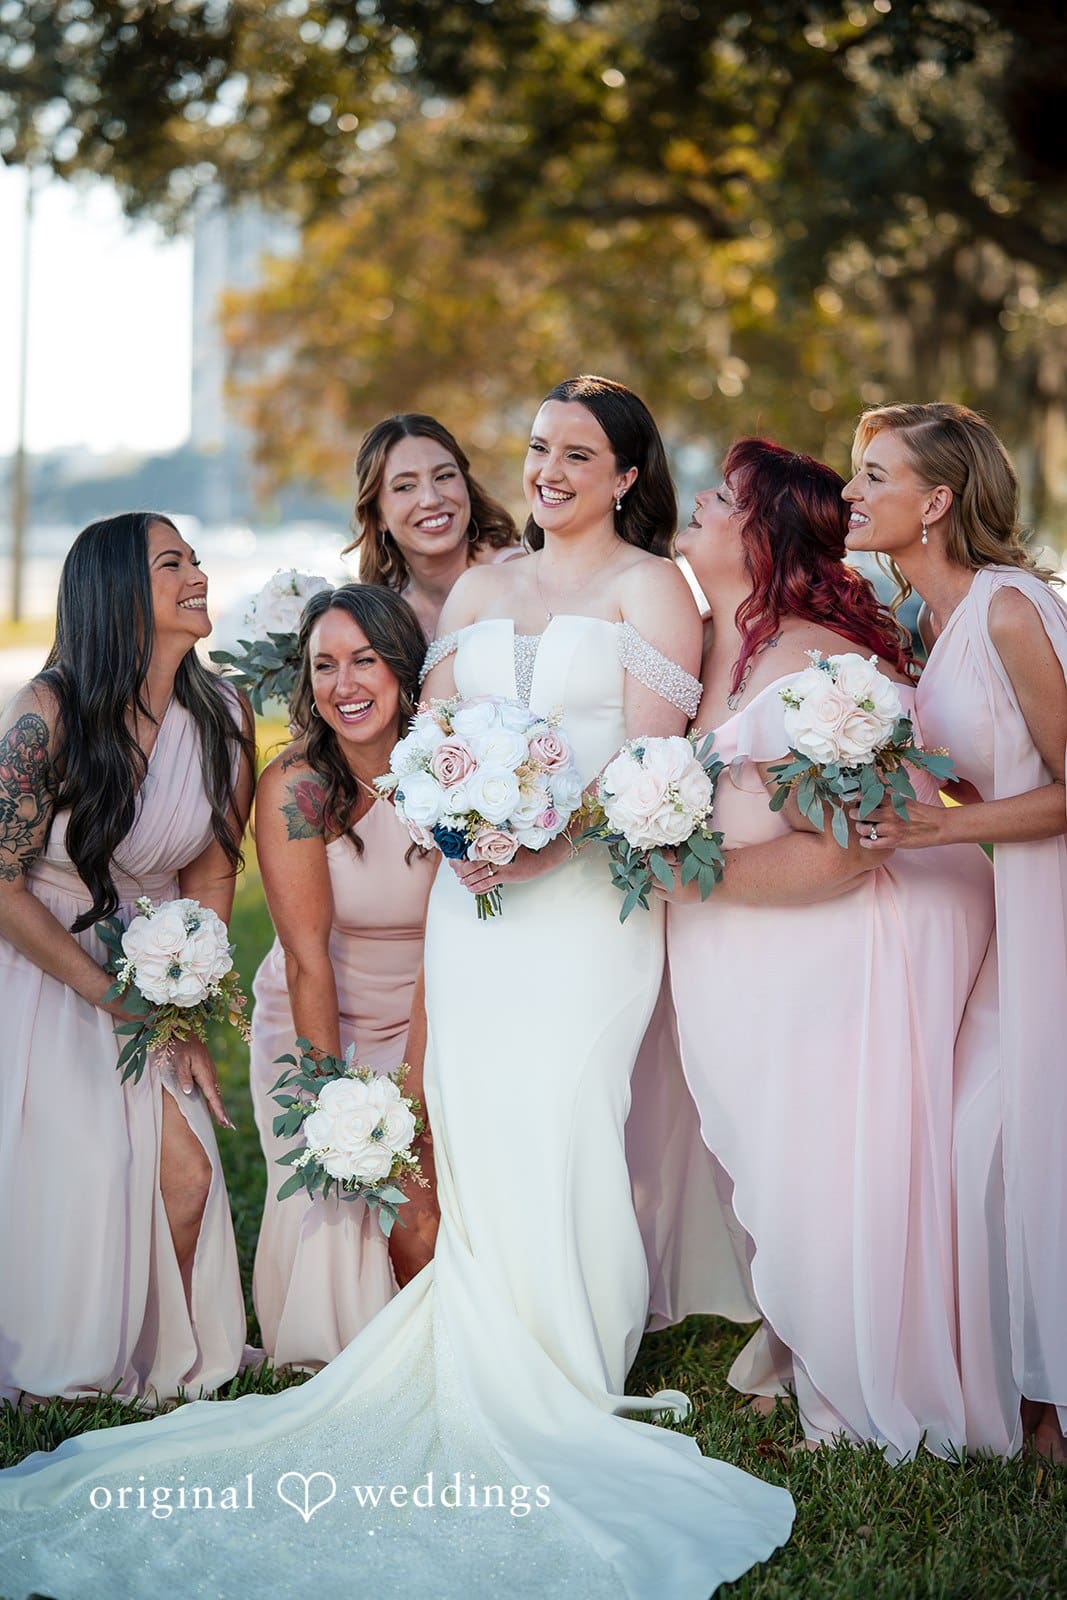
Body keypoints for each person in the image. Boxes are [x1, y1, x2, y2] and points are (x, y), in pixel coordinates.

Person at [0, 380, 792, 1600]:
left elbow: (649, 765)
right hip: (474, 907)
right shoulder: (480, 589)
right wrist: (464, 818)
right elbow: (427, 748)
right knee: (472, 1118)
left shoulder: (652, 591)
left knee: (568, 1109)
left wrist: (539, 832)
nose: (549, 471)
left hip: (584, 910)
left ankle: (565, 1351)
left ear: (628, 475)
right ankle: (482, 1327)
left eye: (578, 454)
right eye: (536, 450)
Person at [661, 439, 995, 1458]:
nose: (699, 504)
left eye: (720, 498)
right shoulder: (721, 641)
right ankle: (799, 1340)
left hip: (826, 950)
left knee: (819, 1171)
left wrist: (692, 873)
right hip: (747, 953)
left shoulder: (814, 664)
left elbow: (857, 846)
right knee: (771, 1169)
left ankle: (855, 1399)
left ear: (759, 536)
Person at [843, 401, 1067, 1461]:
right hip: (1005, 904)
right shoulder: (918, 619)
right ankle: (1018, 1384)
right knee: (980, 1132)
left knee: (1025, 1139)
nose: (852, 491)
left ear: (933, 503)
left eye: (872, 475)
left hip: (1050, 901)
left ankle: (1047, 1406)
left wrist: (950, 825)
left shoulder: (1012, 610)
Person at [0, 513, 254, 1406]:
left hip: (155, 973)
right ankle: (66, 1358)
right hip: (41, 968)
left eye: (195, 554)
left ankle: (162, 1363)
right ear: (117, 591)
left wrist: (189, 998)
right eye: (171, 561)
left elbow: (213, 867)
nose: (197, 571)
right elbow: (1, 885)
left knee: (183, 1173)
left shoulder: (223, 711)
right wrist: (107, 994)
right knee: (80, 1171)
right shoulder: (50, 713)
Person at [249, 585, 438, 1368]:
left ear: (403, 667)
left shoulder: (451, 773)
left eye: (365, 660)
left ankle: (444, 1340)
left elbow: (451, 949)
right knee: (349, 1185)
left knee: (420, 1201)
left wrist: (415, 1095)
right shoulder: (295, 787)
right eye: (324, 666)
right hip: (319, 1012)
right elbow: (303, 955)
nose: (345, 685)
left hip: (438, 1005)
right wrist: (332, 1102)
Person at [345, 413, 521, 638]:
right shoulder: (383, 612)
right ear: (377, 515)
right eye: (405, 486)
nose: (431, 499)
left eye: (444, 476)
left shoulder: (516, 575)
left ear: (466, 484)